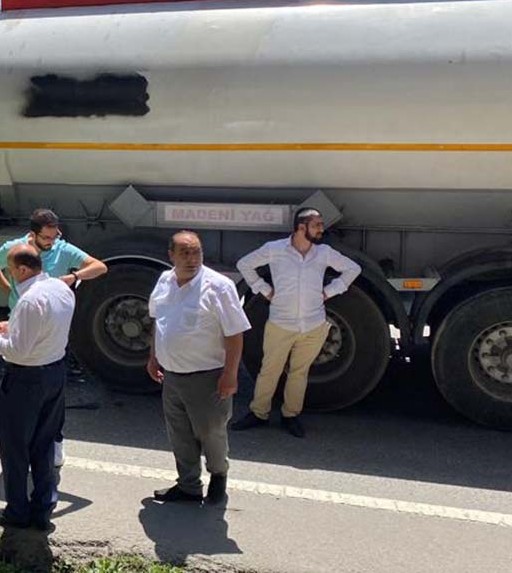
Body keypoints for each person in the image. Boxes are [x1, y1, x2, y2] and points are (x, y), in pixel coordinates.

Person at [0, 208, 106, 466]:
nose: (52, 241)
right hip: (21, 319)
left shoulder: (64, 250)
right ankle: (13, 440)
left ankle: (56, 443)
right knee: (15, 389)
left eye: (55, 235)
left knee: (52, 394)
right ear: (33, 235)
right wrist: (11, 289)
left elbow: (99, 267)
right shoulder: (14, 249)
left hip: (49, 329)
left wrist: (74, 276)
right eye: (47, 238)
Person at [232, 208, 362, 438]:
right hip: (281, 323)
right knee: (269, 371)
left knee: (299, 373)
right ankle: (258, 413)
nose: (321, 229)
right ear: (301, 227)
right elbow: (244, 264)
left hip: (313, 325)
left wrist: (329, 292)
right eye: (317, 225)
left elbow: (354, 269)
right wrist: (264, 290)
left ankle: (290, 415)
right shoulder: (275, 250)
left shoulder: (323, 252)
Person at [0, 242, 74, 530]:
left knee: (15, 448)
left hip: (25, 379)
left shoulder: (29, 301)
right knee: (44, 444)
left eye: (9, 268)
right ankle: (43, 510)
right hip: (55, 373)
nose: (7, 274)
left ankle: (17, 511)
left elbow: (16, 351)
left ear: (21, 269)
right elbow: (45, 329)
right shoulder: (60, 289)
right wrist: (14, 327)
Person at [147, 231, 250, 506]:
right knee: (179, 434)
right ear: (171, 255)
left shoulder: (219, 286)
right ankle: (189, 487)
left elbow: (235, 334)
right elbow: (159, 321)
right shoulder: (164, 281)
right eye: (185, 253)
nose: (192, 259)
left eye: (197, 252)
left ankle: (218, 478)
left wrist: (230, 375)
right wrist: (153, 356)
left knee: (211, 433)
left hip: (208, 377)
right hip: (172, 376)